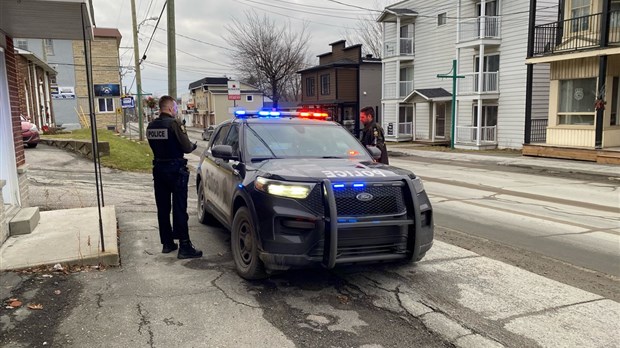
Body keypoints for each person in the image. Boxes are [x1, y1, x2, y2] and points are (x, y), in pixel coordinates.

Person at [146, 95, 202, 259]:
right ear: (170, 108)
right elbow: (186, 147)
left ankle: (167, 243)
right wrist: (193, 146)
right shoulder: (174, 124)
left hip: (159, 170)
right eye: (175, 107)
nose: (176, 110)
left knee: (163, 208)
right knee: (179, 208)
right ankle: (184, 246)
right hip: (176, 171)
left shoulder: (151, 126)